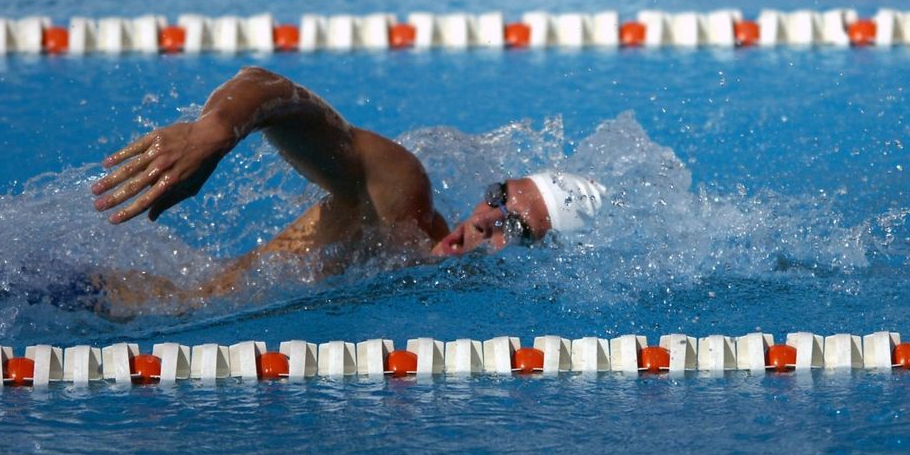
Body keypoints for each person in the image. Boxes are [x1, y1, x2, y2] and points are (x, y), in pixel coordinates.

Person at [92, 67, 605, 301]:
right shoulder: (401, 205)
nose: (483, 219)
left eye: (512, 227)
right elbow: (270, 88)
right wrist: (216, 131)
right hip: (104, 302)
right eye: (497, 197)